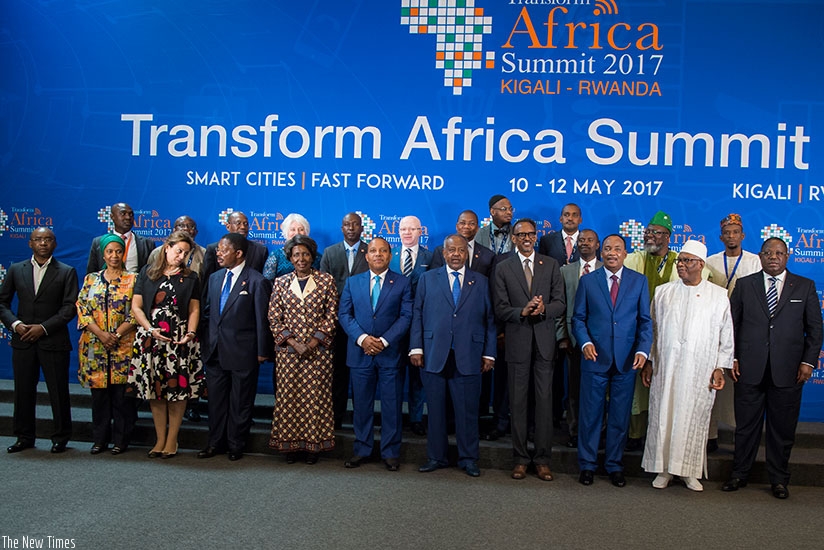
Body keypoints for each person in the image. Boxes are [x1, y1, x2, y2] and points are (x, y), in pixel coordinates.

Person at [723, 238, 823, 499]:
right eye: (768, 253)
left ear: (787, 256)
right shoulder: (745, 285)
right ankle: (739, 474)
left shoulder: (804, 286)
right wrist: (732, 357)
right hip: (748, 368)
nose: (773, 257)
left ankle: (779, 479)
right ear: (760, 256)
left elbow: (815, 329)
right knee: (745, 427)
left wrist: (808, 362)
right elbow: (731, 325)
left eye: (779, 253)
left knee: (782, 429)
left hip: (789, 370)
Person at [640, 240, 733, 492]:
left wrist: (720, 367)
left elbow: (726, 334)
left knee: (693, 417)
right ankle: (663, 469)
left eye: (687, 261)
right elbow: (653, 330)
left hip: (699, 370)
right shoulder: (663, 292)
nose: (681, 265)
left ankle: (689, 472)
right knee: (664, 414)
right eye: (679, 260)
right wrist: (649, 361)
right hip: (666, 367)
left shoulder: (718, 296)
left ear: (701, 265)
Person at [411, 235, 496, 477]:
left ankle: (468, 458)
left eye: (461, 250)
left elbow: (490, 320)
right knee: (435, 411)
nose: (456, 254)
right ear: (444, 253)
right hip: (434, 354)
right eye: (451, 250)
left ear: (466, 254)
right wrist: (416, 348)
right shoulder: (428, 278)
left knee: (467, 412)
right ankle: (436, 457)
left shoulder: (481, 281)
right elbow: (417, 314)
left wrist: (489, 353)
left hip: (469, 354)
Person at [572, 234, 652, 487]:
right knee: (590, 416)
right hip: (594, 358)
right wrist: (585, 342)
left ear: (625, 253)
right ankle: (587, 465)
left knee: (619, 417)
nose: (611, 253)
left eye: (617, 249)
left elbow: (645, 321)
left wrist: (643, 351)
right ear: (601, 252)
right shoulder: (588, 281)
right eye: (607, 248)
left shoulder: (639, 281)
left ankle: (614, 465)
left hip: (626, 360)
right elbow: (578, 318)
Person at [493, 218, 565, 481]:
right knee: (518, 403)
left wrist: (544, 309)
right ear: (513, 238)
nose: (526, 238)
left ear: (536, 236)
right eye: (521, 234)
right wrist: (521, 312)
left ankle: (543, 460)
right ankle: (521, 459)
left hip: (544, 345)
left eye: (530, 234)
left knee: (544, 404)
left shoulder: (551, 265)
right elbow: (500, 308)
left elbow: (560, 303)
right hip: (517, 344)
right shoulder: (503, 267)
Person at [1, 228, 78, 454]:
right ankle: (24, 437)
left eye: (47, 239)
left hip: (53, 341)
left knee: (58, 391)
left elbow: (69, 308)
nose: (43, 243)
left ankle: (61, 437)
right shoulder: (16, 269)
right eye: (38, 239)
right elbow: (2, 303)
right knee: (23, 391)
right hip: (23, 339)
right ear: (30, 243)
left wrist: (43, 328)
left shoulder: (66, 271)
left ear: (54, 243)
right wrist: (16, 324)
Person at [339, 237, 413, 471]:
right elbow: (344, 315)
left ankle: (390, 453)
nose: (378, 254)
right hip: (360, 354)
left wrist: (383, 341)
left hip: (390, 354)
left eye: (383, 251)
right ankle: (362, 449)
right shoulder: (352, 282)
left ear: (390, 256)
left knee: (392, 406)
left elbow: (406, 316)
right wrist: (363, 339)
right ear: (366, 255)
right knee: (362, 406)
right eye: (373, 251)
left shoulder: (402, 283)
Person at [129, 231, 203, 458]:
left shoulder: (191, 277)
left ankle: (172, 440)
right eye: (178, 251)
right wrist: (149, 328)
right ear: (167, 248)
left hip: (178, 340)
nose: (181, 256)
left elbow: (194, 309)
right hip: (151, 338)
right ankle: (160, 439)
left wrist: (191, 333)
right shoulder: (147, 272)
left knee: (178, 392)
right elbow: (136, 306)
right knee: (156, 391)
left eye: (186, 253)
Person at [198, 233, 273, 461]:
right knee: (216, 402)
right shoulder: (214, 278)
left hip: (243, 352)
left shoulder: (257, 281)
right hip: (215, 351)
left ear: (238, 253)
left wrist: (262, 351)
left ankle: (235, 445)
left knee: (240, 402)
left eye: (224, 250)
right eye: (218, 250)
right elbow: (208, 313)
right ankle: (215, 443)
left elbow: (262, 320)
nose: (218, 254)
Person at [268, 235, 337, 464]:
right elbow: (274, 318)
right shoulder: (281, 282)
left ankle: (312, 447)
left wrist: (313, 343)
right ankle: (290, 447)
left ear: (312, 256)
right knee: (289, 398)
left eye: (305, 254)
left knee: (315, 399)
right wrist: (294, 343)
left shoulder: (326, 280)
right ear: (290, 258)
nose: (301, 259)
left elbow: (331, 316)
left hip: (318, 353)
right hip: (288, 353)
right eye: (296, 255)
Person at [704, 213, 762, 452]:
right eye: (727, 233)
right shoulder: (710, 261)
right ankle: (710, 436)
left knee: (741, 385)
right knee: (711, 382)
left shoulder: (755, 262)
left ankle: (742, 437)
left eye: (735, 232)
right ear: (721, 237)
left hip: (744, 329)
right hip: (714, 329)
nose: (731, 236)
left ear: (743, 235)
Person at [76, 234, 138, 455]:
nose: (114, 256)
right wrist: (102, 334)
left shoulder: (133, 279)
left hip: (124, 347)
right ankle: (99, 440)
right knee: (99, 398)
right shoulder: (91, 279)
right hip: (95, 347)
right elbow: (82, 309)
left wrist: (116, 334)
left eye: (118, 251)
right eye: (109, 251)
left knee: (122, 398)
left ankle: (121, 440)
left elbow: (137, 312)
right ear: (103, 254)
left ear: (124, 254)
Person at [623, 211, 679, 451]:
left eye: (656, 232)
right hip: (637, 333)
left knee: (663, 386)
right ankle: (634, 435)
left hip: (669, 336)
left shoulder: (679, 261)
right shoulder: (636, 259)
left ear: (667, 237)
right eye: (647, 232)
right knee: (636, 388)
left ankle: (659, 438)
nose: (649, 236)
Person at [319, 212, 370, 428]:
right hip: (336, 323)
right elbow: (322, 288)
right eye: (347, 225)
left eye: (355, 224)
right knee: (337, 373)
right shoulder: (330, 253)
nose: (351, 228)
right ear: (342, 228)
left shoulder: (371, 251)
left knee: (361, 375)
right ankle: (336, 418)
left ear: (362, 228)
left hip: (363, 324)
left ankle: (361, 419)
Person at [539, 203, 584, 429]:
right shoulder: (547, 241)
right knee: (554, 371)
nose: (570, 218)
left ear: (580, 219)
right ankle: (554, 415)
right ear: (560, 218)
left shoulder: (588, 240)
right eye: (566, 214)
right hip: (553, 309)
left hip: (578, 308)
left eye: (574, 215)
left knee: (577, 378)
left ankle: (575, 420)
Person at [558, 229, 602, 448]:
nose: (585, 243)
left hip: (602, 342)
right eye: (581, 240)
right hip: (573, 340)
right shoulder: (565, 271)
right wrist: (562, 336)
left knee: (598, 391)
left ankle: (597, 432)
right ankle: (574, 431)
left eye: (589, 240)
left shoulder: (607, 269)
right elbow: (560, 306)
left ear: (597, 244)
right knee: (574, 389)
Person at [389, 215, 432, 436]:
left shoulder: (430, 257)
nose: (407, 233)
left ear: (420, 231)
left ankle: (416, 418)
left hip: (420, 324)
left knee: (418, 376)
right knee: (393, 375)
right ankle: (393, 418)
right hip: (393, 325)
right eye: (403, 229)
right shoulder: (389, 255)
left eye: (412, 229)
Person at [87, 202, 155, 274]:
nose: (128, 217)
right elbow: (92, 273)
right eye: (123, 214)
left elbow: (152, 273)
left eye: (131, 214)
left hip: (136, 280)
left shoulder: (147, 244)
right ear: (112, 217)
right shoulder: (98, 242)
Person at [202, 211, 269, 281]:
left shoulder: (260, 250)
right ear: (228, 226)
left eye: (245, 224)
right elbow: (207, 281)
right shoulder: (213, 249)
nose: (243, 227)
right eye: (238, 223)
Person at [429, 210, 495, 277]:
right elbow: (434, 278)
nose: (466, 226)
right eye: (462, 223)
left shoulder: (487, 255)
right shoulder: (440, 251)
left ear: (477, 228)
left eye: (471, 224)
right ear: (457, 226)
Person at [263, 212, 322, 281]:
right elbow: (267, 282)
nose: (297, 233)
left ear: (306, 232)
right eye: (292, 230)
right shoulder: (276, 256)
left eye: (301, 229)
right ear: (286, 232)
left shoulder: (316, 256)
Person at [147, 215, 207, 280]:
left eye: (191, 226)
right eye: (181, 225)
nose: (186, 229)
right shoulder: (157, 252)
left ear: (196, 232)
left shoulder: (204, 253)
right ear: (174, 230)